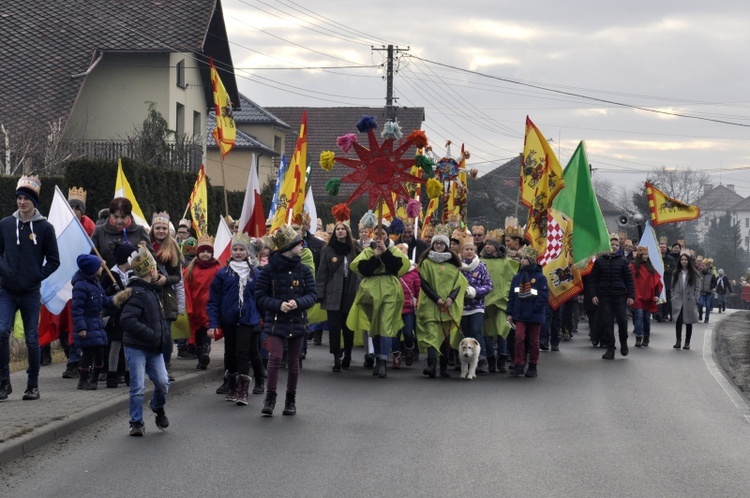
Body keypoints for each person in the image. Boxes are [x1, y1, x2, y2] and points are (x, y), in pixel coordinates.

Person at [0, 176, 59, 401]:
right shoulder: (5, 224)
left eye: (26, 198)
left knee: (33, 339)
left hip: (30, 292)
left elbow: (54, 260)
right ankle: (4, 381)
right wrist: (3, 270)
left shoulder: (45, 228)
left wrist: (36, 276)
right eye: (19, 198)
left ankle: (32, 384)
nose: (22, 202)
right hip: (6, 290)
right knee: (1, 331)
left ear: (34, 201)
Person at [256, 225, 317, 416]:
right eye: (298, 244)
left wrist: (297, 302)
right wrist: (277, 304)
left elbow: (313, 295)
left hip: (297, 320)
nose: (302, 246)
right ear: (288, 247)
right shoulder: (269, 270)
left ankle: (290, 399)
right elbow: (260, 296)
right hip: (275, 321)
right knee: (274, 358)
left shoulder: (304, 270)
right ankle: (270, 397)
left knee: (293, 362)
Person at [120, 245, 171, 436]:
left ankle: (157, 406)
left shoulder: (151, 290)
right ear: (151, 270)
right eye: (155, 268)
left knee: (163, 382)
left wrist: (162, 335)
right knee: (138, 386)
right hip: (137, 348)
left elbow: (158, 318)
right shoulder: (136, 292)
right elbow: (127, 320)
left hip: (154, 348)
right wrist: (150, 334)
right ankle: (136, 422)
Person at [207, 232, 263, 405]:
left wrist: (262, 317)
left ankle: (243, 389)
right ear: (231, 252)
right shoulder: (223, 273)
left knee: (242, 352)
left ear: (247, 252)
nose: (238, 252)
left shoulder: (254, 273)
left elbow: (260, 296)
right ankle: (231, 384)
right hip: (229, 318)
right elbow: (214, 299)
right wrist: (213, 323)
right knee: (230, 353)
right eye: (235, 249)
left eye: (242, 249)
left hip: (247, 318)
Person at [347, 226, 410, 378]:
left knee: (385, 324)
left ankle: (383, 361)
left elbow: (397, 268)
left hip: (389, 289)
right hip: (371, 291)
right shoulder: (368, 251)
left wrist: (385, 253)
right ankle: (377, 357)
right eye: (376, 234)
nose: (379, 236)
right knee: (374, 325)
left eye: (382, 233)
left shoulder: (394, 251)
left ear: (388, 235)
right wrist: (375, 257)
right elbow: (363, 270)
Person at [72, 254, 130, 390]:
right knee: (87, 354)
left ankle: (94, 379)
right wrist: (81, 327)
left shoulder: (95, 283)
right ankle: (84, 380)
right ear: (92, 269)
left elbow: (104, 300)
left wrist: (118, 298)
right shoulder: (80, 286)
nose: (102, 268)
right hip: (87, 323)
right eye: (99, 266)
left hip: (97, 323)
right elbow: (77, 309)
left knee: (100, 354)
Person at [416, 228, 467, 378]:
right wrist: (436, 298)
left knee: (446, 337)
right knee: (432, 334)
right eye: (436, 243)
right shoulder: (426, 264)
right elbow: (424, 284)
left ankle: (443, 367)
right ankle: (431, 364)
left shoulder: (453, 266)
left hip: (448, 307)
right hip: (431, 305)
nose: (438, 246)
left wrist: (451, 297)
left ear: (446, 245)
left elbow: (459, 284)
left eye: (441, 243)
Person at [315, 222, 360, 372]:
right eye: (338, 229)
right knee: (334, 328)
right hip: (333, 292)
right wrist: (319, 293)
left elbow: (362, 268)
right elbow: (322, 273)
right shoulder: (328, 250)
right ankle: (336, 357)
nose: (340, 231)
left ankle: (348, 353)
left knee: (348, 327)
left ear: (348, 232)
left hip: (350, 291)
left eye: (343, 229)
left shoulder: (355, 249)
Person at [149, 212, 183, 379]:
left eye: (164, 228)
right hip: (149, 293)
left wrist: (165, 279)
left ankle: (165, 366)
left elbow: (177, 276)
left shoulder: (174, 247)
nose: (161, 231)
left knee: (167, 334)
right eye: (158, 227)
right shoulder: (145, 245)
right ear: (153, 228)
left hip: (166, 295)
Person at [590, 234, 634, 360]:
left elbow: (629, 280)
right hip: (604, 296)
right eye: (612, 245)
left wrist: (631, 295)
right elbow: (593, 279)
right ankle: (610, 348)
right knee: (607, 322)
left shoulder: (623, 261)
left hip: (619, 295)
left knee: (622, 320)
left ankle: (623, 342)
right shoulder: (600, 261)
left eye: (616, 245)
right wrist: (593, 294)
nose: (614, 247)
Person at [480, 229, 518, 373]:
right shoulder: (480, 262)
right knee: (488, 332)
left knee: (503, 330)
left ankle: (502, 359)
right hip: (486, 301)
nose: (487, 246)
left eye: (490, 244)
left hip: (502, 302)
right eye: (486, 244)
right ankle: (491, 360)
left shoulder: (507, 262)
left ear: (496, 246)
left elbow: (511, 279)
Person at [506, 246, 548, 378]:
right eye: (521, 258)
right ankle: (519, 364)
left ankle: (532, 365)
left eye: (525, 258)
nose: (522, 261)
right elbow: (512, 296)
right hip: (520, 315)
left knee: (534, 341)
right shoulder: (517, 277)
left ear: (531, 260)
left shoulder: (540, 278)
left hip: (534, 315)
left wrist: (534, 309)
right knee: (518, 338)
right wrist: (510, 313)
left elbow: (543, 297)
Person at [184, 235, 221, 372]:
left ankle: (205, 353)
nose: (205, 254)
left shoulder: (217, 269)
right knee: (198, 333)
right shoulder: (191, 269)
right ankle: (201, 357)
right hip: (195, 305)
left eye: (208, 251)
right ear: (198, 253)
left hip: (210, 305)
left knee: (207, 330)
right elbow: (187, 286)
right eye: (203, 251)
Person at [459, 235, 493, 374]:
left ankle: (482, 359)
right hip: (461, 306)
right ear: (462, 251)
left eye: (471, 249)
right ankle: (465, 362)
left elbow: (489, 285)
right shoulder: (457, 266)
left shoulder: (480, 267)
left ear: (475, 251)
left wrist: (475, 291)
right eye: (466, 249)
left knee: (476, 331)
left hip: (477, 306)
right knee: (465, 335)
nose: (469, 251)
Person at [104, 241, 137, 388]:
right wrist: (113, 291)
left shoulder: (134, 274)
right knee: (115, 345)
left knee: (129, 345)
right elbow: (105, 295)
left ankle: (129, 374)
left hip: (130, 315)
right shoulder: (110, 275)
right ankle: (112, 374)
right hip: (116, 316)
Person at [91, 197, 153, 270]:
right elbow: (91, 255)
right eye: (115, 217)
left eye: (123, 217)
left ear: (129, 215)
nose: (119, 221)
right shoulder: (99, 230)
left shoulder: (140, 230)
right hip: (107, 278)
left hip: (134, 278)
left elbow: (152, 257)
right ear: (110, 214)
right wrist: (98, 262)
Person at [630, 246, 663, 348]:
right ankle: (639, 337)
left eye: (647, 254)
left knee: (646, 319)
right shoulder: (632, 267)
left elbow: (656, 282)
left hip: (648, 297)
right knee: (639, 316)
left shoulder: (650, 268)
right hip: (637, 296)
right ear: (639, 255)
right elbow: (629, 280)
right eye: (644, 254)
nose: (646, 256)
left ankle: (646, 336)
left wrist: (657, 295)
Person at [394, 243, 421, 368]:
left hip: (408, 308)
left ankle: (409, 348)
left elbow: (418, 290)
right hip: (393, 308)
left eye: (403, 251)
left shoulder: (413, 272)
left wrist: (419, 303)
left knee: (408, 332)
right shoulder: (391, 271)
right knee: (394, 333)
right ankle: (396, 356)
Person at [671, 251, 700, 350]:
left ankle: (687, 342)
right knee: (678, 321)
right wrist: (673, 297)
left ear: (688, 261)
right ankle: (678, 341)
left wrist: (695, 297)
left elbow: (697, 287)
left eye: (685, 260)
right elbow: (672, 287)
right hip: (678, 299)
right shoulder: (676, 273)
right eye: (682, 260)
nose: (684, 261)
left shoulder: (694, 273)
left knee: (688, 321)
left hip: (689, 300)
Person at [658, 237, 676, 322]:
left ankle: (665, 314)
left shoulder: (670, 259)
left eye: (664, 247)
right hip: (658, 281)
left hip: (667, 281)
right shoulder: (656, 257)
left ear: (666, 248)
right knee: (658, 298)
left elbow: (673, 268)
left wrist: (665, 270)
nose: (662, 249)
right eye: (661, 247)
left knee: (667, 299)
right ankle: (658, 314)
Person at [697, 257, 717, 323]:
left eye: (704, 265)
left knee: (708, 305)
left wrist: (711, 287)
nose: (702, 267)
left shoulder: (711, 274)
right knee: (700, 304)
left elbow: (715, 283)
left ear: (708, 266)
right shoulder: (699, 273)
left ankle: (707, 317)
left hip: (708, 292)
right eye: (702, 265)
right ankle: (700, 314)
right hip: (701, 292)